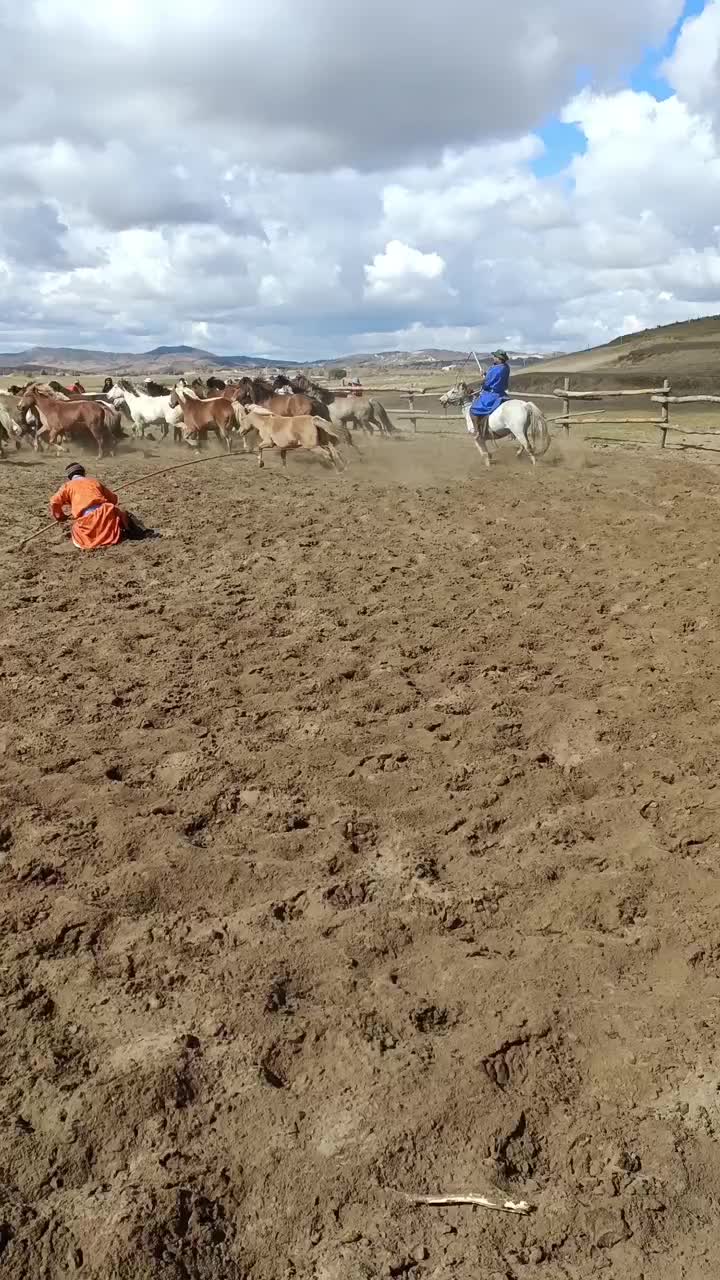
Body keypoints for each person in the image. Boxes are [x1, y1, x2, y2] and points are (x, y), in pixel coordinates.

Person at [50, 463, 155, 550]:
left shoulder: (66, 487)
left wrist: (60, 516)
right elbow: (113, 499)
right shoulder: (94, 482)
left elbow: (54, 502)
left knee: (75, 528)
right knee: (122, 513)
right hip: (105, 514)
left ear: (69, 477)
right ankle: (141, 532)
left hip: (86, 522)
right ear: (83, 473)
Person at [469, 351, 511, 440]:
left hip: (492, 394)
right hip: (501, 393)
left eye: (495, 357)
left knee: (473, 409)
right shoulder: (505, 367)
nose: (493, 358)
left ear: (499, 358)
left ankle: (477, 432)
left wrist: (483, 383)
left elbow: (488, 383)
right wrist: (485, 374)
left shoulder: (496, 369)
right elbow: (494, 378)